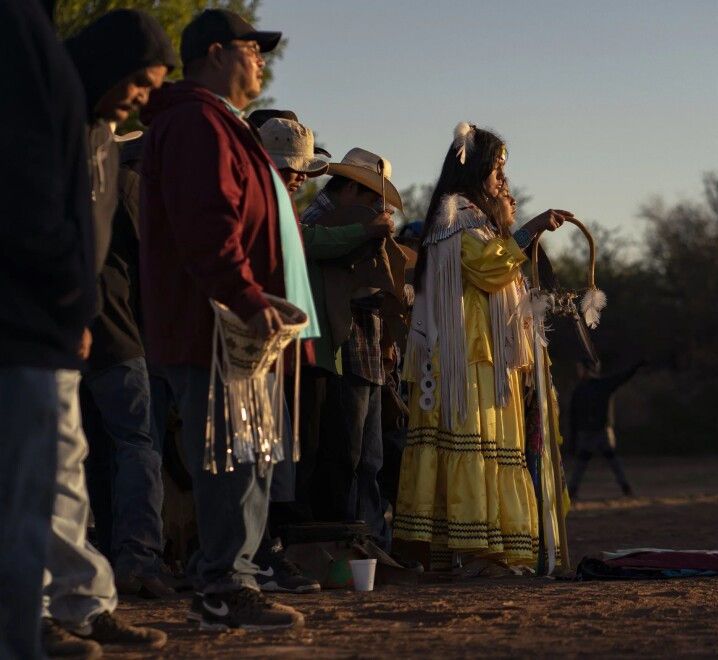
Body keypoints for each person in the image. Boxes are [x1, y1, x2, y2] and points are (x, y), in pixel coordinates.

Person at [139, 8, 309, 631]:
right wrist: (246, 297)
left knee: (248, 454)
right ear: (215, 52)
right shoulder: (196, 122)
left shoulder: (215, 123)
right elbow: (208, 224)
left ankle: (228, 580)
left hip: (224, 324)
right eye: (252, 48)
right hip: (214, 325)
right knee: (233, 457)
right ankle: (221, 585)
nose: (261, 59)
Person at [37, 10, 174, 658]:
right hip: (30, 323)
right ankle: (33, 609)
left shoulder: (101, 135)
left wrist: (82, 308)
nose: (144, 99)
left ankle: (82, 605)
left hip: (69, 327)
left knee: (63, 466)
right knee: (39, 470)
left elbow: (87, 242)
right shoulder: (44, 112)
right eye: (142, 83)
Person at [393, 122, 571, 572]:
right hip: (462, 358)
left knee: (490, 445)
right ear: (473, 173)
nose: (502, 181)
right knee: (469, 442)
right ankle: (462, 550)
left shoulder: (478, 220)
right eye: (496, 171)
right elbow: (487, 270)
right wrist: (528, 231)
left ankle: (482, 549)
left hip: (486, 356)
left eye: (503, 172)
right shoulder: (455, 217)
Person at [65, 9, 179, 601]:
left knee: (82, 454)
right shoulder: (86, 142)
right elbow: (136, 257)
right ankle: (134, 558)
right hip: (107, 327)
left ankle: (92, 570)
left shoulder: (105, 148)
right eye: (139, 83)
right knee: (133, 444)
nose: (140, 99)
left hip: (81, 323)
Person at [0, 1, 95, 656]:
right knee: (24, 509)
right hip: (27, 321)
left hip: (30, 316)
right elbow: (30, 184)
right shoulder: (19, 31)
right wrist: (72, 293)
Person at [300, 148, 404, 549]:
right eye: (369, 197)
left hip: (367, 348)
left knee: (368, 460)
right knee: (346, 456)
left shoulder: (341, 222)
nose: (376, 207)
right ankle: (349, 540)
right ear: (349, 188)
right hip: (342, 350)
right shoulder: (313, 222)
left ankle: (371, 541)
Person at [567, 358, 644, 498]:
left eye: (581, 368)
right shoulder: (579, 390)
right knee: (582, 463)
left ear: (586, 369)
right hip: (587, 433)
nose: (579, 372)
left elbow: (621, 377)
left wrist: (636, 366)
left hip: (602, 431)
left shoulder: (602, 385)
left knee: (611, 461)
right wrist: (573, 437)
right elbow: (573, 415)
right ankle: (572, 490)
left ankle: (626, 488)